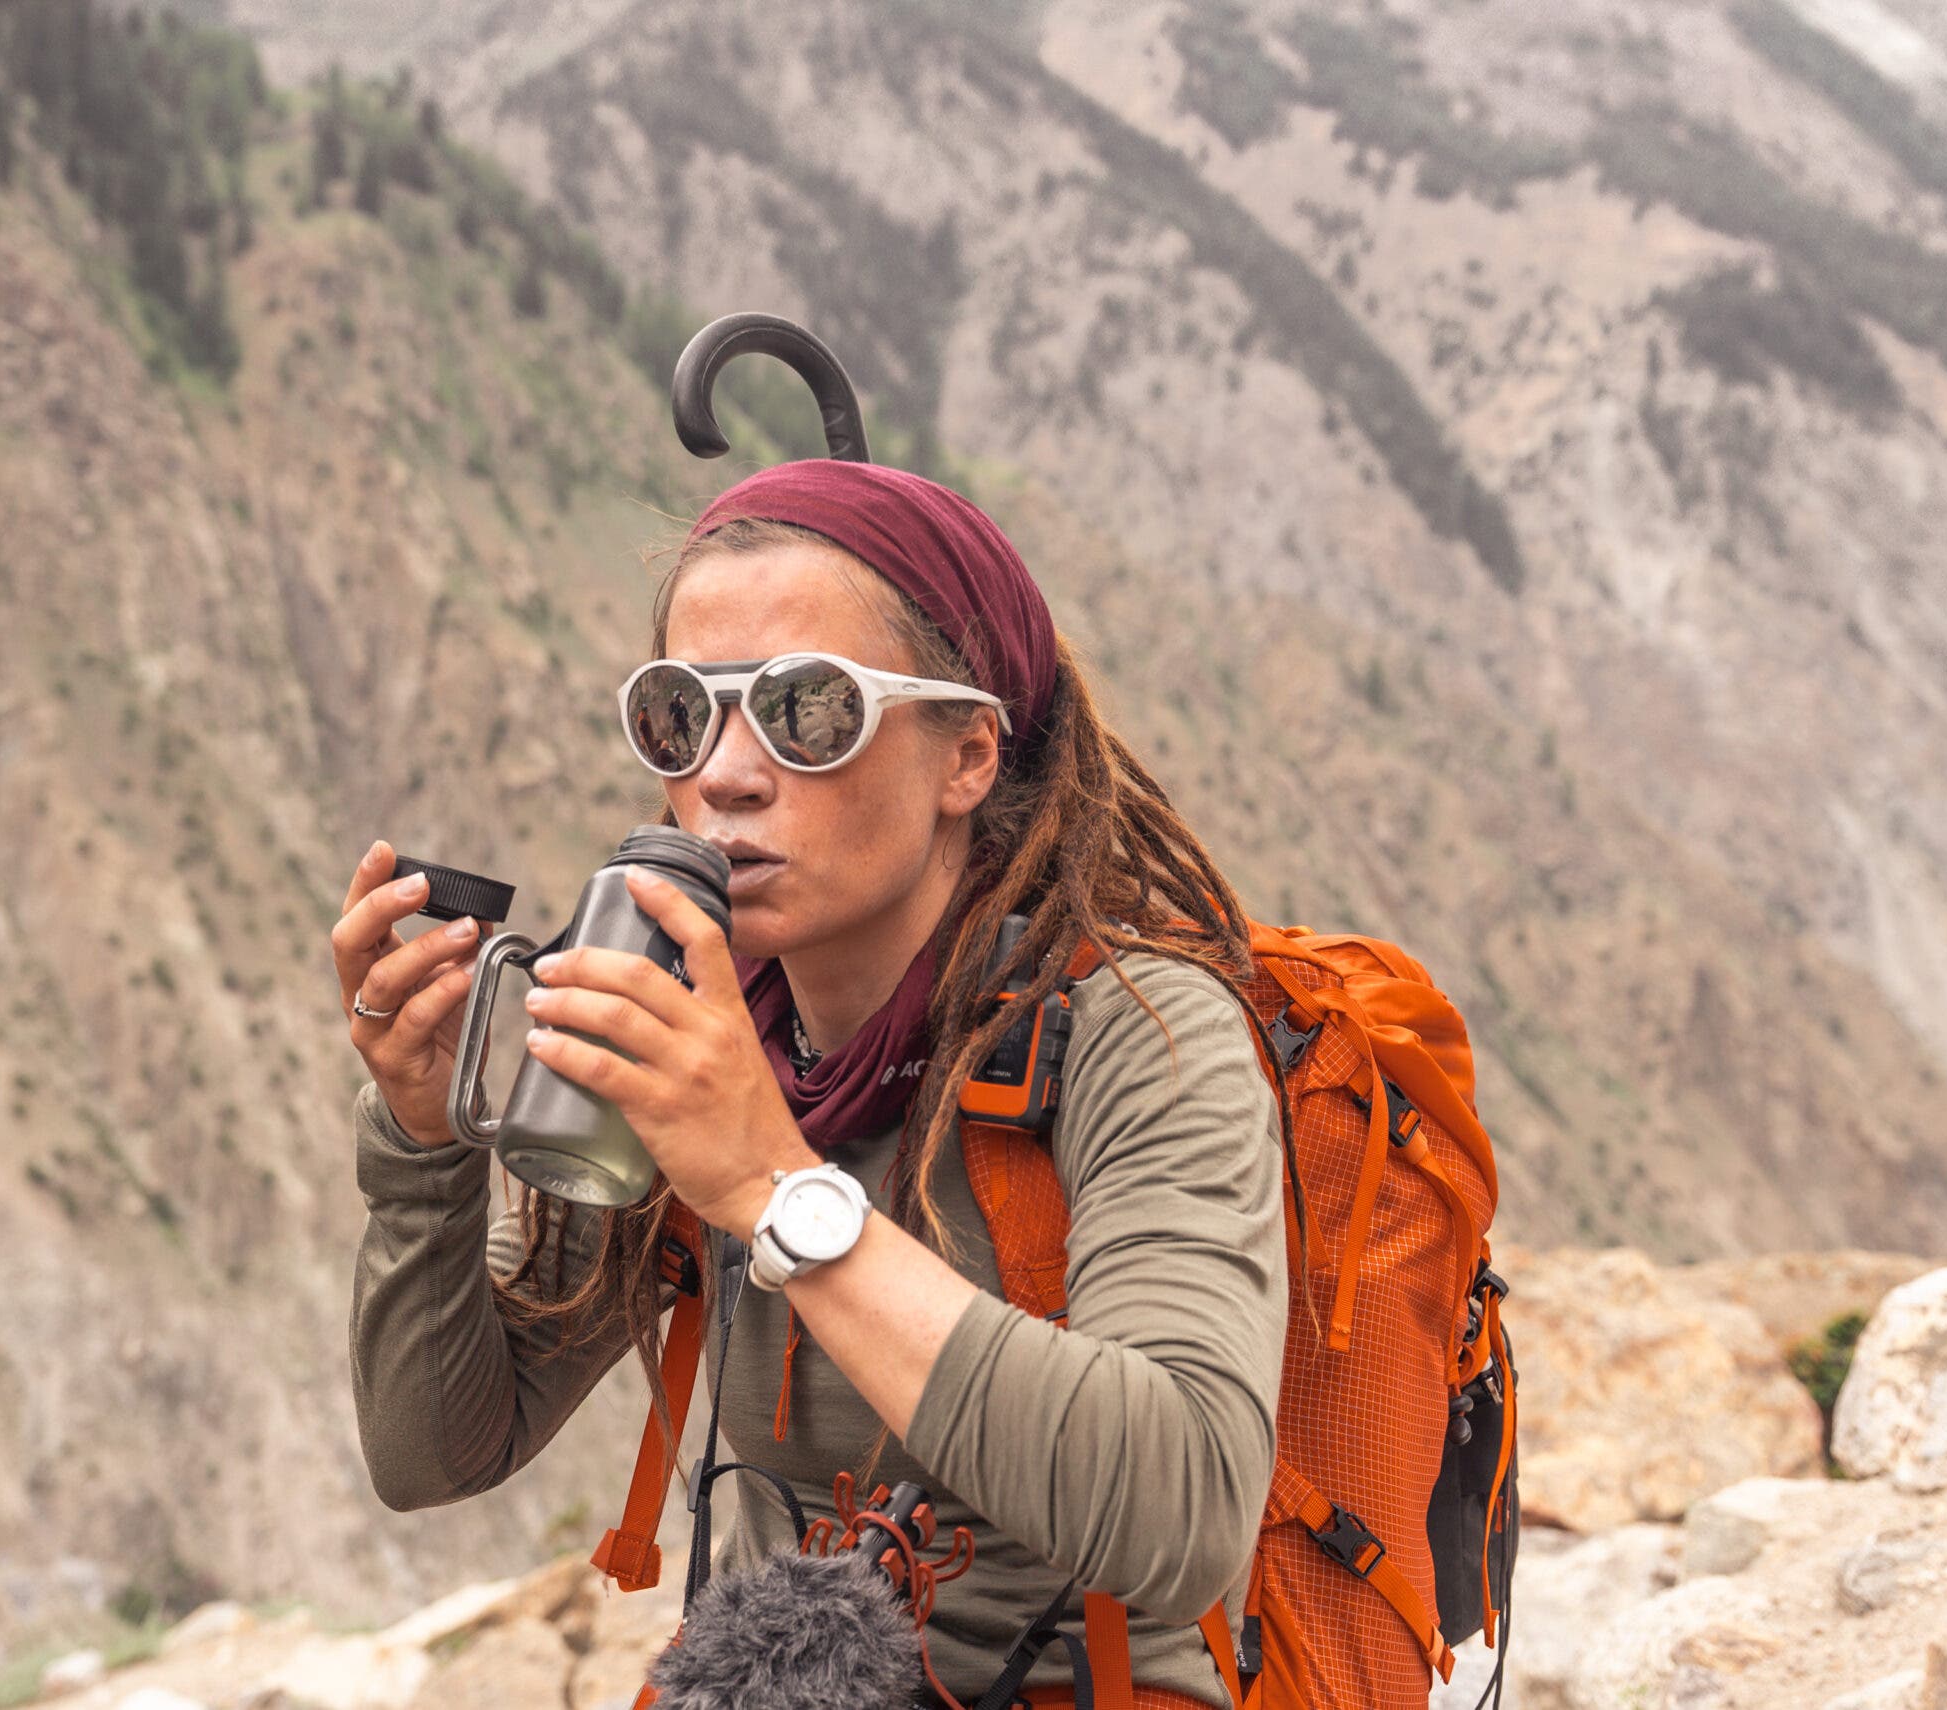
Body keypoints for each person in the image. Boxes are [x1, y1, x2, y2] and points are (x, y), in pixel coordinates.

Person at [331, 459, 1287, 1709]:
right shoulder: (697, 1030)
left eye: (808, 711)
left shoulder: (1139, 1034)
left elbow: (1189, 1505)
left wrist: (771, 1185)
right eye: (682, 714)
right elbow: (435, 1450)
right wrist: (420, 1150)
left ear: (968, 757)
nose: (725, 771)